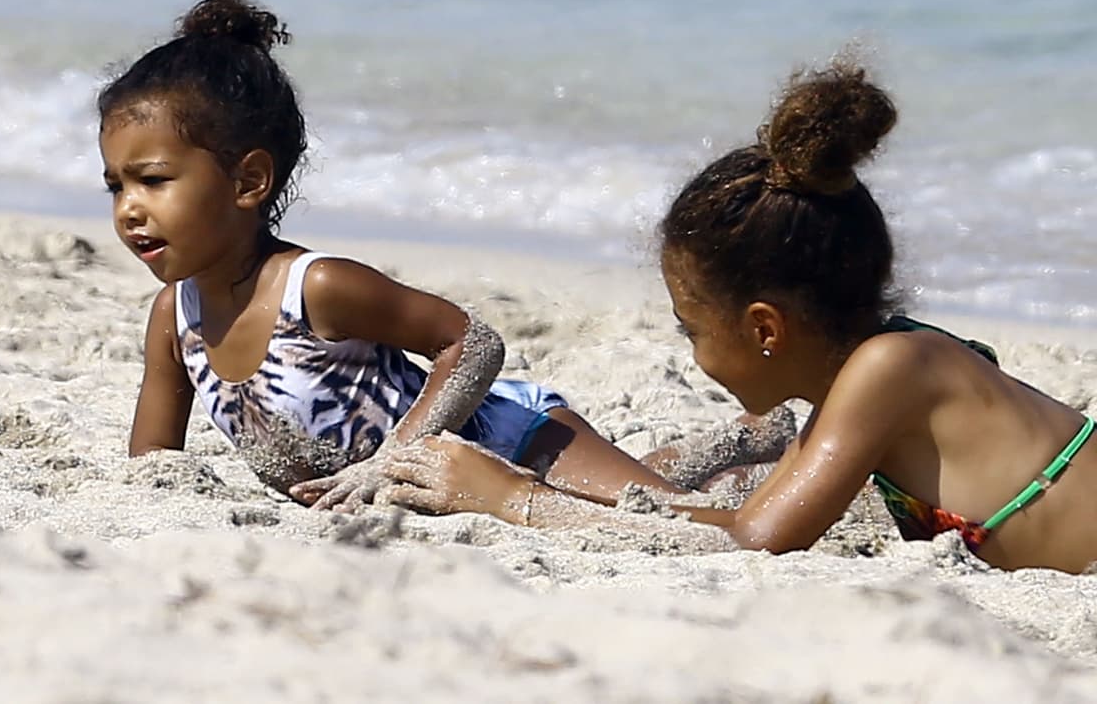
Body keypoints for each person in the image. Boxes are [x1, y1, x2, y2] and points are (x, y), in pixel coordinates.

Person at [378, 58, 1097, 573]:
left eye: (691, 327)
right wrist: (545, 489)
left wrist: (515, 499)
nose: (689, 346)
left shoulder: (892, 366)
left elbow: (756, 539)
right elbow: (721, 523)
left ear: (763, 328)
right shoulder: (860, 391)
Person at [99, 0, 675, 513]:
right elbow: (153, 473)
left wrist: (390, 462)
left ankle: (741, 450)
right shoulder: (173, 321)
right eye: (116, 186)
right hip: (445, 499)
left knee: (672, 513)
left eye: (153, 180)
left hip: (516, 440)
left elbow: (472, 344)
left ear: (249, 181)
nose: (128, 208)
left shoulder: (317, 288)